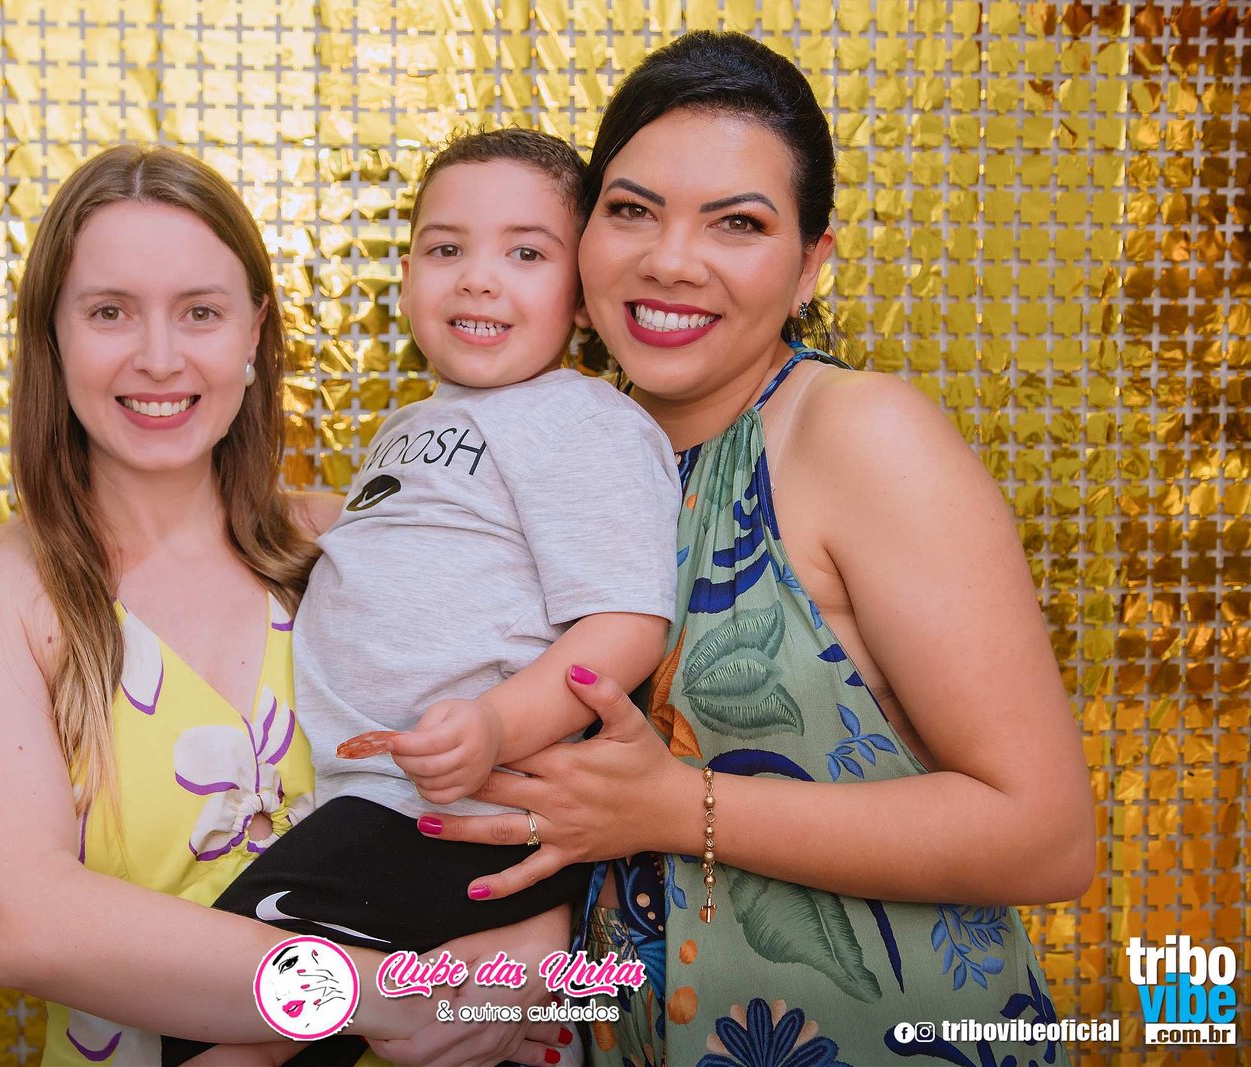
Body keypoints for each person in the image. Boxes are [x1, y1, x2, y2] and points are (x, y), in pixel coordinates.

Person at [417, 32, 1098, 1067]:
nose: (670, 259)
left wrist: (674, 808)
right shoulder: (570, 453)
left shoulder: (856, 433)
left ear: (812, 262)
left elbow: (1045, 835)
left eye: (737, 223)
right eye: (631, 210)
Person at [0, 143, 573, 1067]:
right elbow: (19, 921)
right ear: (51, 335)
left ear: (254, 331)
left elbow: (543, 778)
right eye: (109, 312)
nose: (159, 357)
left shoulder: (355, 545)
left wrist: (530, 946)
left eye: (201, 312)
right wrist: (379, 995)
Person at [164, 128, 681, 1066]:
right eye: (447, 248)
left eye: (526, 254)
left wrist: (496, 724)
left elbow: (626, 621)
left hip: (444, 810)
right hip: (369, 800)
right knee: (268, 1017)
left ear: (583, 291)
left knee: (222, 1005)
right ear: (406, 276)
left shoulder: (583, 420)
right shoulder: (412, 424)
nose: (478, 279)